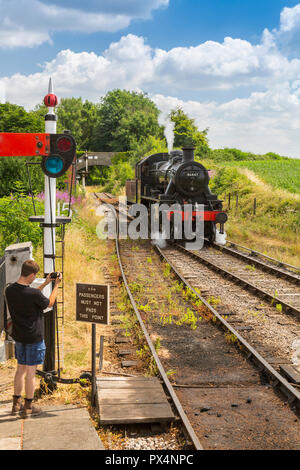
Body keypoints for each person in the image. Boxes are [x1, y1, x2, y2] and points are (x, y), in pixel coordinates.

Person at [5, 259, 62, 417]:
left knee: (20, 370)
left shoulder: (9, 290)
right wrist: (56, 285)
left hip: (19, 337)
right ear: (31, 274)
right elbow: (49, 303)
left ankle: (16, 404)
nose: (33, 278)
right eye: (34, 276)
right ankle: (28, 406)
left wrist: (44, 283)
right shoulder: (34, 294)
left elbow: (29, 294)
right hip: (34, 338)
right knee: (31, 373)